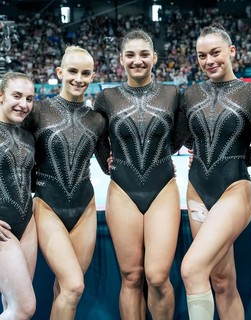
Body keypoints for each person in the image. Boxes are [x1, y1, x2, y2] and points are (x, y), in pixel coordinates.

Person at [179, 24, 251, 320]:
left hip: (233, 189)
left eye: (215, 53)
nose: (209, 61)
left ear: (232, 52)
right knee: (220, 281)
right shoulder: (191, 94)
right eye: (202, 55)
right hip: (197, 190)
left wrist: (232, 158)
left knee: (192, 269)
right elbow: (186, 137)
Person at [94, 29, 186, 319]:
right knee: (131, 276)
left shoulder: (171, 93)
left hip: (162, 188)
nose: (138, 60)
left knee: (158, 276)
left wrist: (161, 157)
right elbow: (97, 138)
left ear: (154, 58)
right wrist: (105, 163)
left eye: (144, 54)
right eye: (131, 55)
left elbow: (178, 137)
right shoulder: (107, 97)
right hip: (122, 190)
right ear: (121, 59)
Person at [22, 46, 110, 320]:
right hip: (48, 206)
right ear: (60, 72)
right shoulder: (37, 111)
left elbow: (110, 163)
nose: (79, 78)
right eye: (72, 71)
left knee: (65, 288)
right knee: (73, 286)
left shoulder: (96, 119)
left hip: (84, 208)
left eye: (86, 73)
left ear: (93, 75)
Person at [0, 71, 36, 319]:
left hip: (27, 225)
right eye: (16, 96)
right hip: (3, 231)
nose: (23, 104)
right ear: (0, 96)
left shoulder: (26, 136)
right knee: (24, 308)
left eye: (29, 98)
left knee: (14, 307)